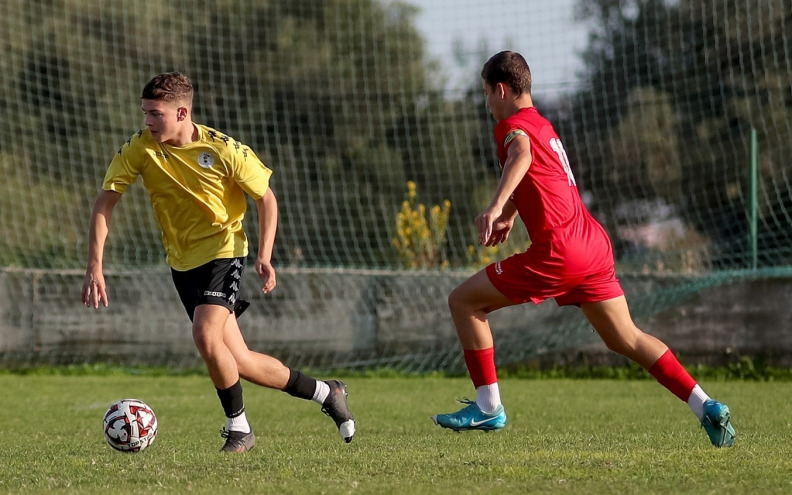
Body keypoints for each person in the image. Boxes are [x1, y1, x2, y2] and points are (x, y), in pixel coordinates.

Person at [431, 51, 736, 448]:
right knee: (626, 337)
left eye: (486, 93)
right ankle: (706, 405)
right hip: (593, 245)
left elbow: (520, 157)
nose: (487, 103)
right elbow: (542, 180)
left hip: (560, 252)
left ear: (501, 90)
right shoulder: (542, 125)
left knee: (465, 302)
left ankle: (488, 407)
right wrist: (509, 213)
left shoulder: (511, 126)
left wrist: (494, 207)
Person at [81, 72, 356, 453]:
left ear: (181, 112)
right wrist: (95, 265)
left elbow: (266, 198)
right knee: (238, 359)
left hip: (225, 252)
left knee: (205, 336)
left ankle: (239, 428)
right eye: (144, 113)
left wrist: (264, 254)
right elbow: (105, 202)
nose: (147, 122)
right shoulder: (140, 149)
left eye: (155, 114)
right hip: (181, 261)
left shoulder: (224, 150)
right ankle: (328, 392)